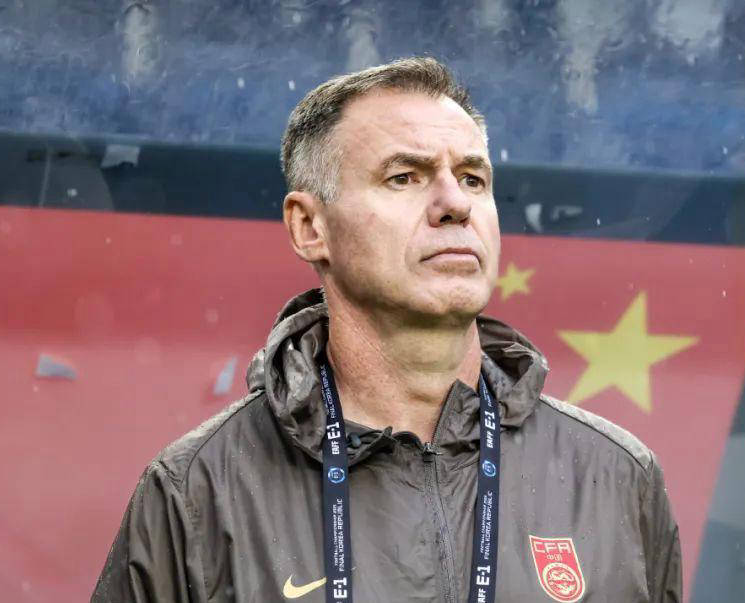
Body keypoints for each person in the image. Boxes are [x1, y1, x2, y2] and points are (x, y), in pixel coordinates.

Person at [92, 56, 681, 603]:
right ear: (309, 227)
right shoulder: (196, 492)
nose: (455, 204)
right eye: (405, 177)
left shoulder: (616, 478)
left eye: (473, 179)